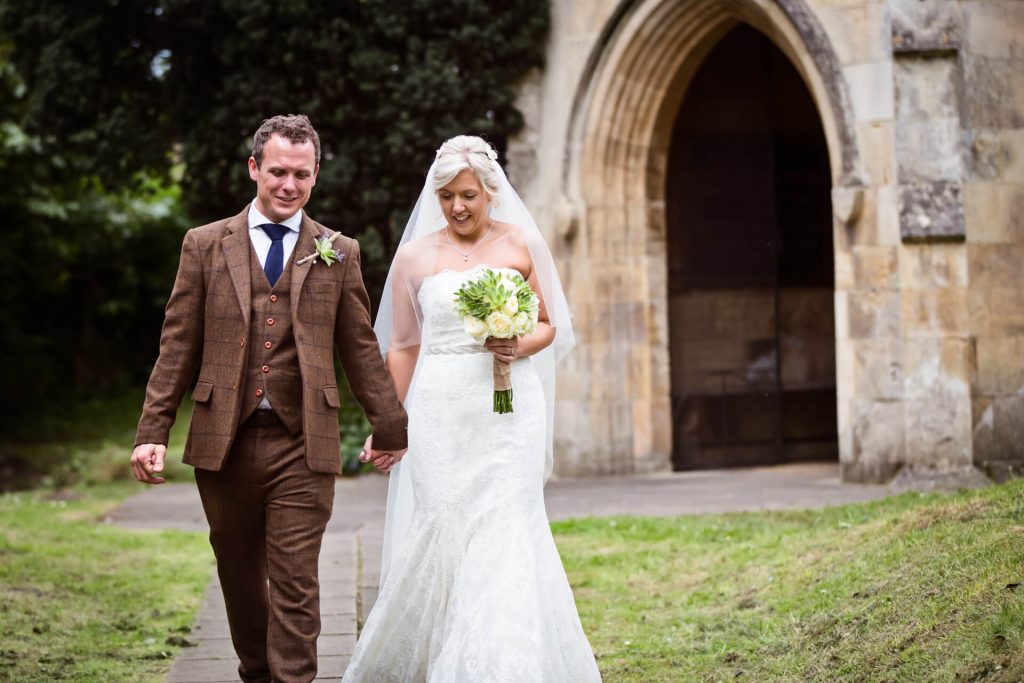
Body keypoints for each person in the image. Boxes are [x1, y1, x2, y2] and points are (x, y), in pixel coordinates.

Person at [130, 114, 408, 683]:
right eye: (278, 171)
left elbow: (359, 346)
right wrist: (152, 431)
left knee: (296, 580)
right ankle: (257, 672)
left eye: (301, 175)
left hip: (302, 442)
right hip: (222, 441)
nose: (289, 185)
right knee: (237, 572)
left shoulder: (339, 251)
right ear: (254, 168)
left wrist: (390, 424)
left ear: (316, 175)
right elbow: (177, 344)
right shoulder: (205, 245)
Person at [344, 135, 601, 681]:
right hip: (441, 409)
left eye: (467, 195)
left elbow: (552, 325)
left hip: (509, 414)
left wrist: (519, 342)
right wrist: (389, 422)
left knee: (507, 524)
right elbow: (403, 346)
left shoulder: (522, 245)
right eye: (446, 196)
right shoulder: (414, 257)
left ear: (491, 192)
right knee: (445, 522)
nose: (457, 206)